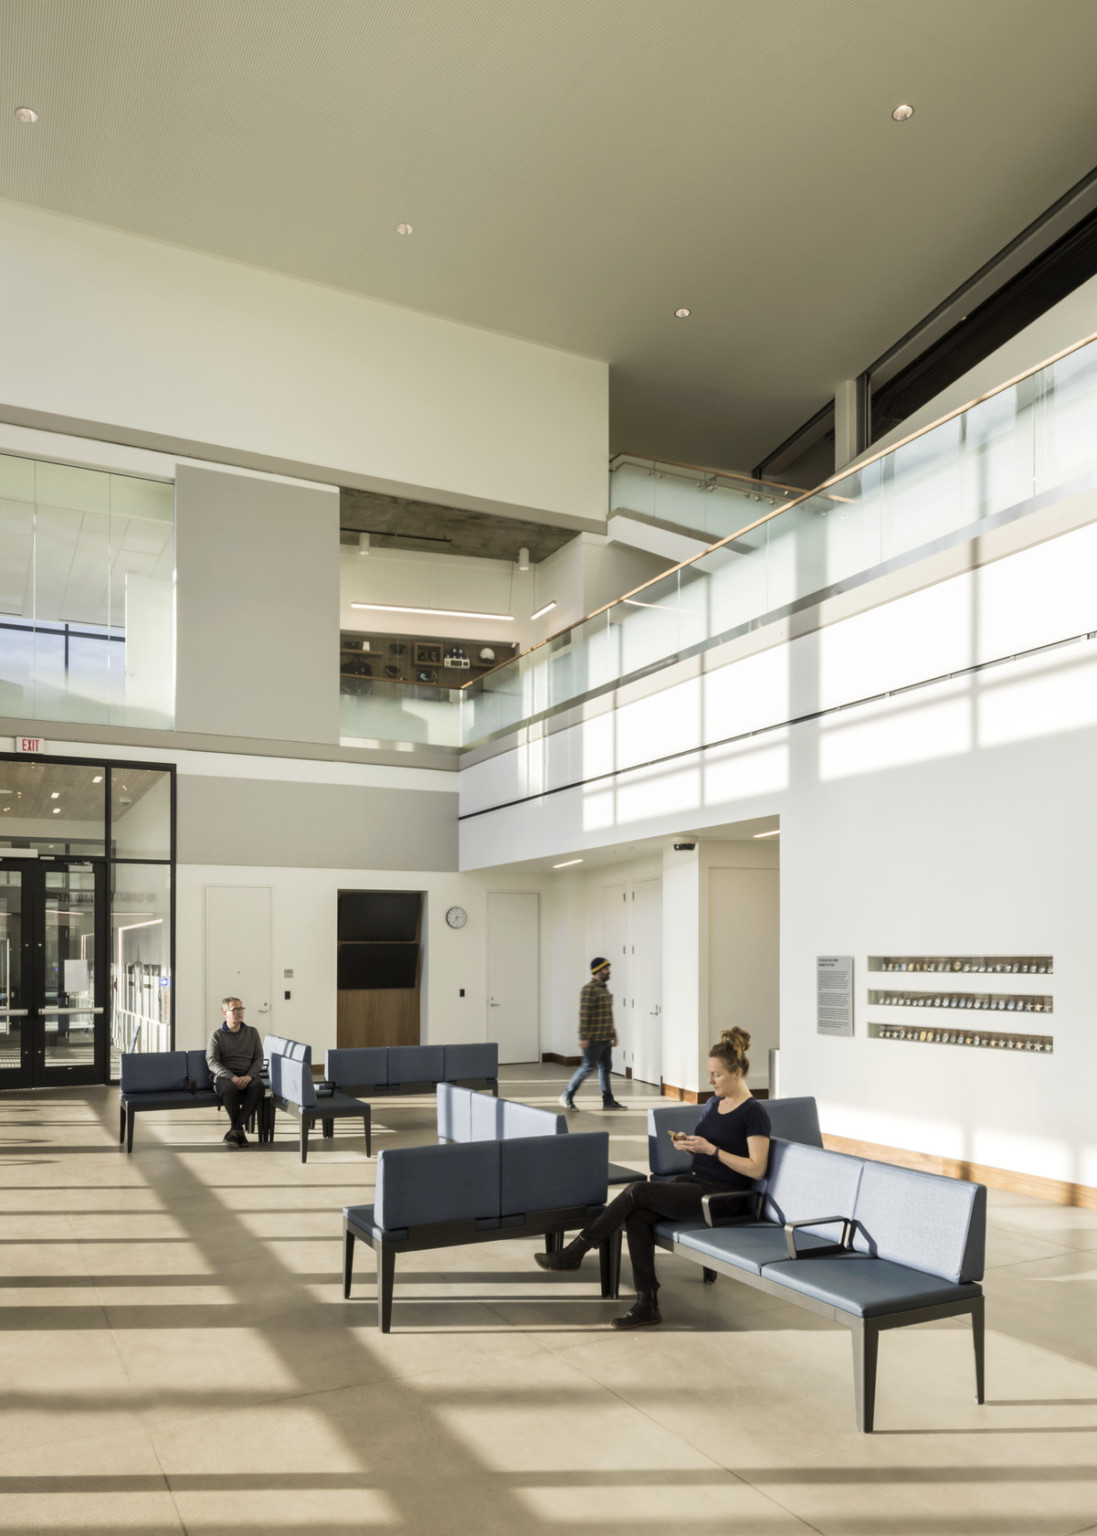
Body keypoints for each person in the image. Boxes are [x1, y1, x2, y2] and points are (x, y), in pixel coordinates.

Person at [539, 1026, 770, 1327]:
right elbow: (707, 1151)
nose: (710, 1080)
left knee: (637, 1191)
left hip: (723, 1199)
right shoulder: (714, 1103)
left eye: (717, 1075)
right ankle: (647, 1302)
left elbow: (756, 1168)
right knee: (638, 1215)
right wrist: (691, 1146)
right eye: (709, 1073)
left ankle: (577, 1250)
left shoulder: (754, 1113)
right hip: (697, 1183)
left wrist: (712, 1151)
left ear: (737, 1072)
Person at [559, 957, 626, 1112]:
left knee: (605, 1069)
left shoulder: (604, 989)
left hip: (605, 1038)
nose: (609, 971)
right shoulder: (588, 989)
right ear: (597, 970)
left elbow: (608, 1014)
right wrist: (583, 1036)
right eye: (606, 969)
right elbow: (584, 1014)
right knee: (587, 1068)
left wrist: (613, 1034)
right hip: (593, 1039)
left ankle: (608, 1101)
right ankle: (566, 1095)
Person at [207, 997, 265, 1147]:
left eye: (241, 1008)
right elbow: (212, 1061)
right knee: (230, 1088)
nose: (240, 1012)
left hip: (247, 1076)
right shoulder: (217, 1035)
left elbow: (259, 1058)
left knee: (259, 1086)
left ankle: (235, 1130)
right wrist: (232, 1077)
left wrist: (249, 1076)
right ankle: (238, 1131)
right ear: (225, 1013)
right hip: (224, 1078)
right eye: (235, 1009)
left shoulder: (252, 1032)